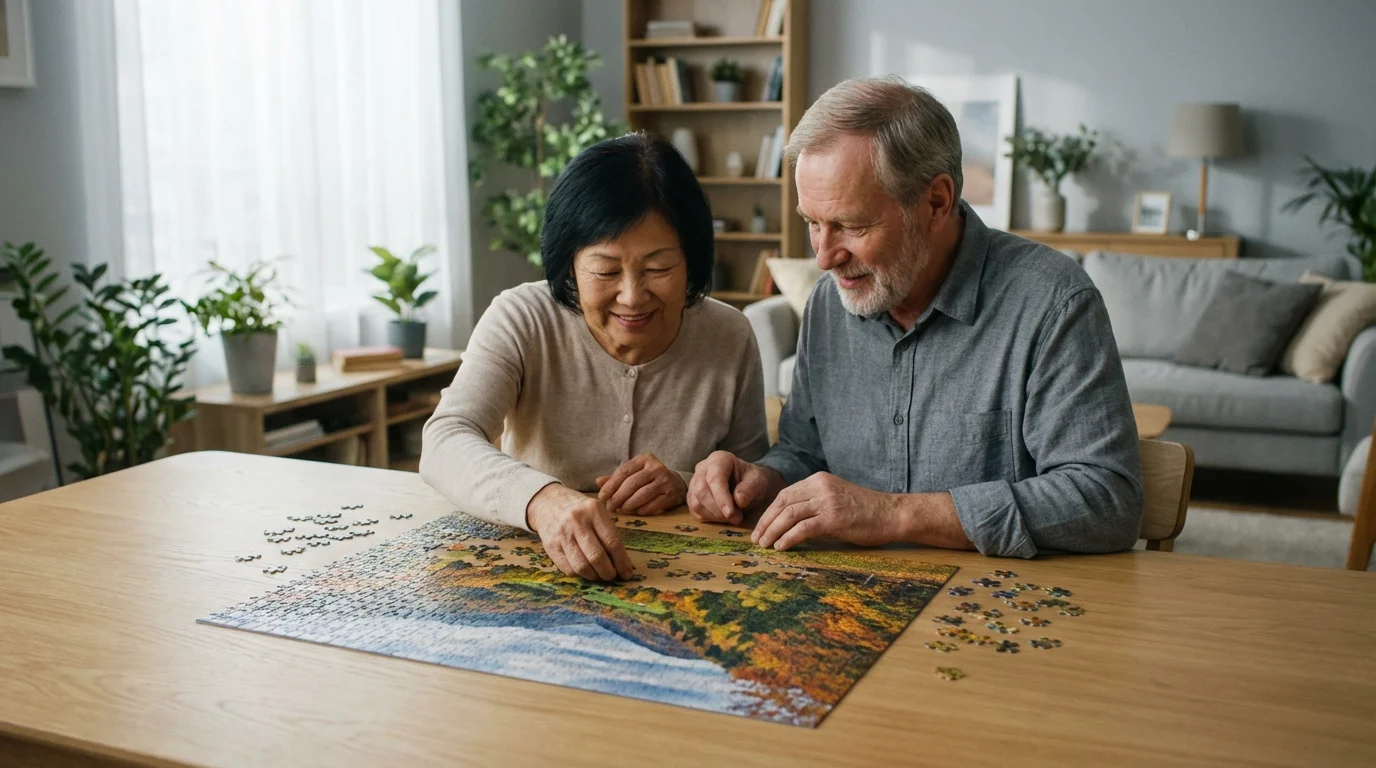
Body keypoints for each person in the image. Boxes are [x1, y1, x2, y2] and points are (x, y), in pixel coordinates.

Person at [687, 76, 1143, 558]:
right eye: (813, 224)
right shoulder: (827, 303)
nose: (824, 256)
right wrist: (762, 478)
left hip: (996, 609)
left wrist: (892, 514)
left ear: (936, 202)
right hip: (845, 602)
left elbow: (1107, 501)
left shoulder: (1053, 303)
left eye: (852, 225)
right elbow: (805, 451)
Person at [421, 132, 769, 581]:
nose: (631, 296)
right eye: (605, 270)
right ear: (569, 264)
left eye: (659, 269)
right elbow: (445, 438)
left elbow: (755, 478)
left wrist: (687, 483)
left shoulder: (729, 334)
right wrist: (542, 500)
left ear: (692, 261)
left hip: (683, 580)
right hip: (535, 570)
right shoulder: (523, 318)